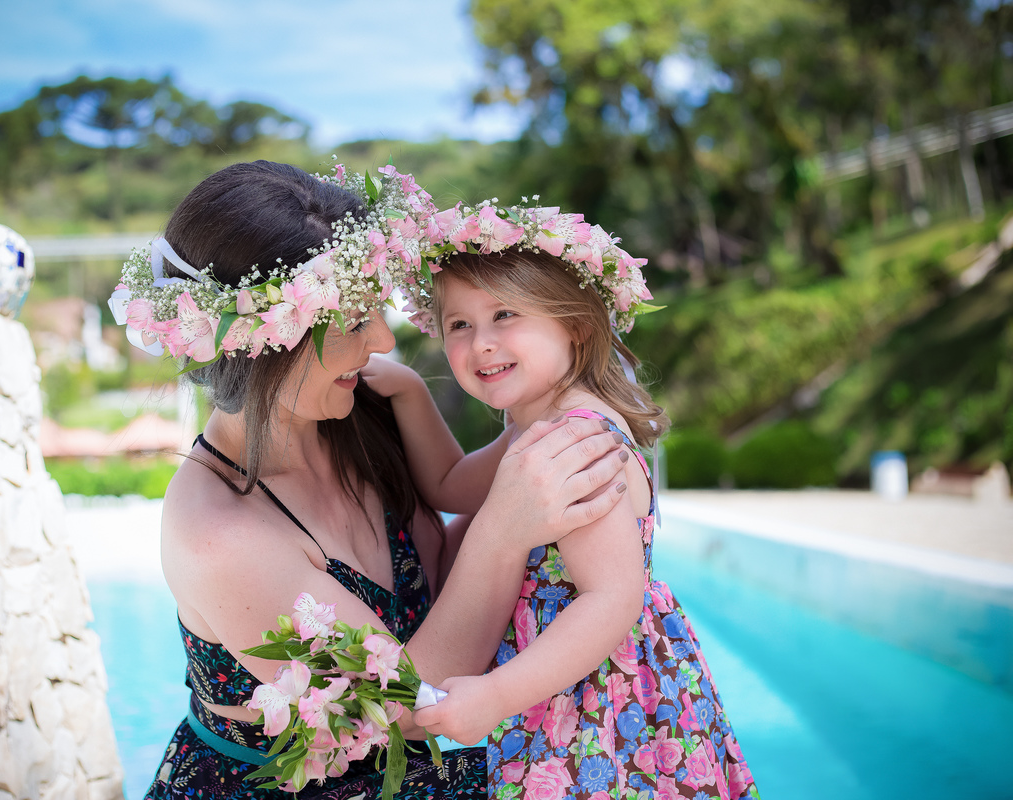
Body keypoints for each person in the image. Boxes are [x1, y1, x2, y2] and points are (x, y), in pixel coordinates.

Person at [107, 162, 633, 799]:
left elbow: (445, 560)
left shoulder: (360, 412)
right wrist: (505, 524)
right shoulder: (220, 536)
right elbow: (406, 705)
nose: (385, 339)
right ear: (270, 341)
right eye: (357, 321)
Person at [368, 199, 759, 799]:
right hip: (558, 681)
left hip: (600, 708)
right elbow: (449, 486)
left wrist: (496, 695)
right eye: (460, 325)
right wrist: (409, 391)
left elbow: (611, 597)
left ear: (574, 322)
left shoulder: (575, 438)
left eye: (505, 314)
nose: (482, 344)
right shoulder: (536, 425)